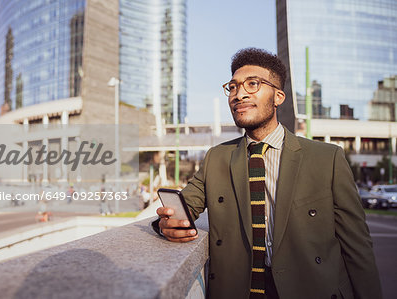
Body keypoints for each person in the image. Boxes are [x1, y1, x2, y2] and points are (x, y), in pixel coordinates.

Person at [153, 48, 382, 299]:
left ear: (278, 97)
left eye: (252, 84)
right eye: (233, 87)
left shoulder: (328, 158)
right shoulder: (216, 158)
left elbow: (357, 245)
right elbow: (184, 207)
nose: (239, 94)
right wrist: (167, 222)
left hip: (311, 289)